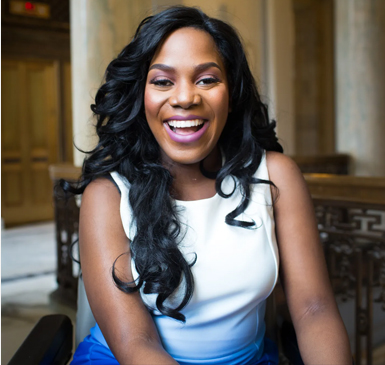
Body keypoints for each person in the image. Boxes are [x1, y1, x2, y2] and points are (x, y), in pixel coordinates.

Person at [68, 6, 352, 365]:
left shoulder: (276, 176)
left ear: (231, 93)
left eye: (206, 79)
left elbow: (315, 309)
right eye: (162, 81)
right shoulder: (108, 195)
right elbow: (136, 343)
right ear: (141, 97)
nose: (185, 97)